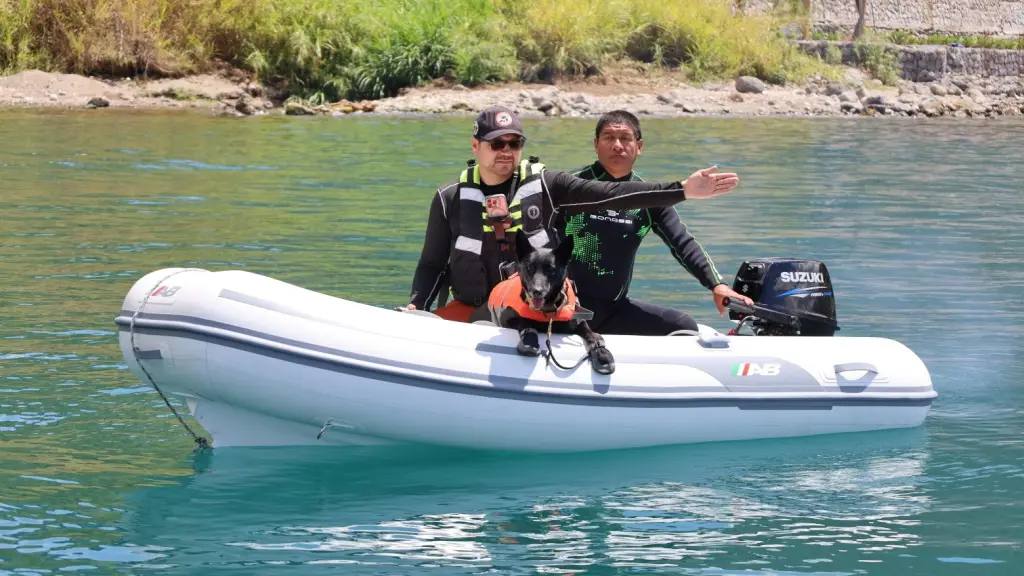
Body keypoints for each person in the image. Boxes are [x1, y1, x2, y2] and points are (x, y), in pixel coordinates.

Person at [407, 105, 740, 323]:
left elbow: (618, 197)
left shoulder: (556, 187)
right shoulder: (451, 197)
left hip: (564, 308)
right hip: (503, 307)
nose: (506, 152)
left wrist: (683, 190)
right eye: (497, 144)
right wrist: (416, 305)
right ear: (476, 145)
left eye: (514, 143)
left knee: (682, 324)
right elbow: (432, 264)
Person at [556, 110, 752, 335]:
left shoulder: (649, 199)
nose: (617, 145)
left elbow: (682, 243)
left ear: (639, 146)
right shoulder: (570, 188)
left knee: (683, 327)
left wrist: (718, 285)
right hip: (564, 308)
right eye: (609, 138)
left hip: (613, 311)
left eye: (625, 138)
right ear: (595, 144)